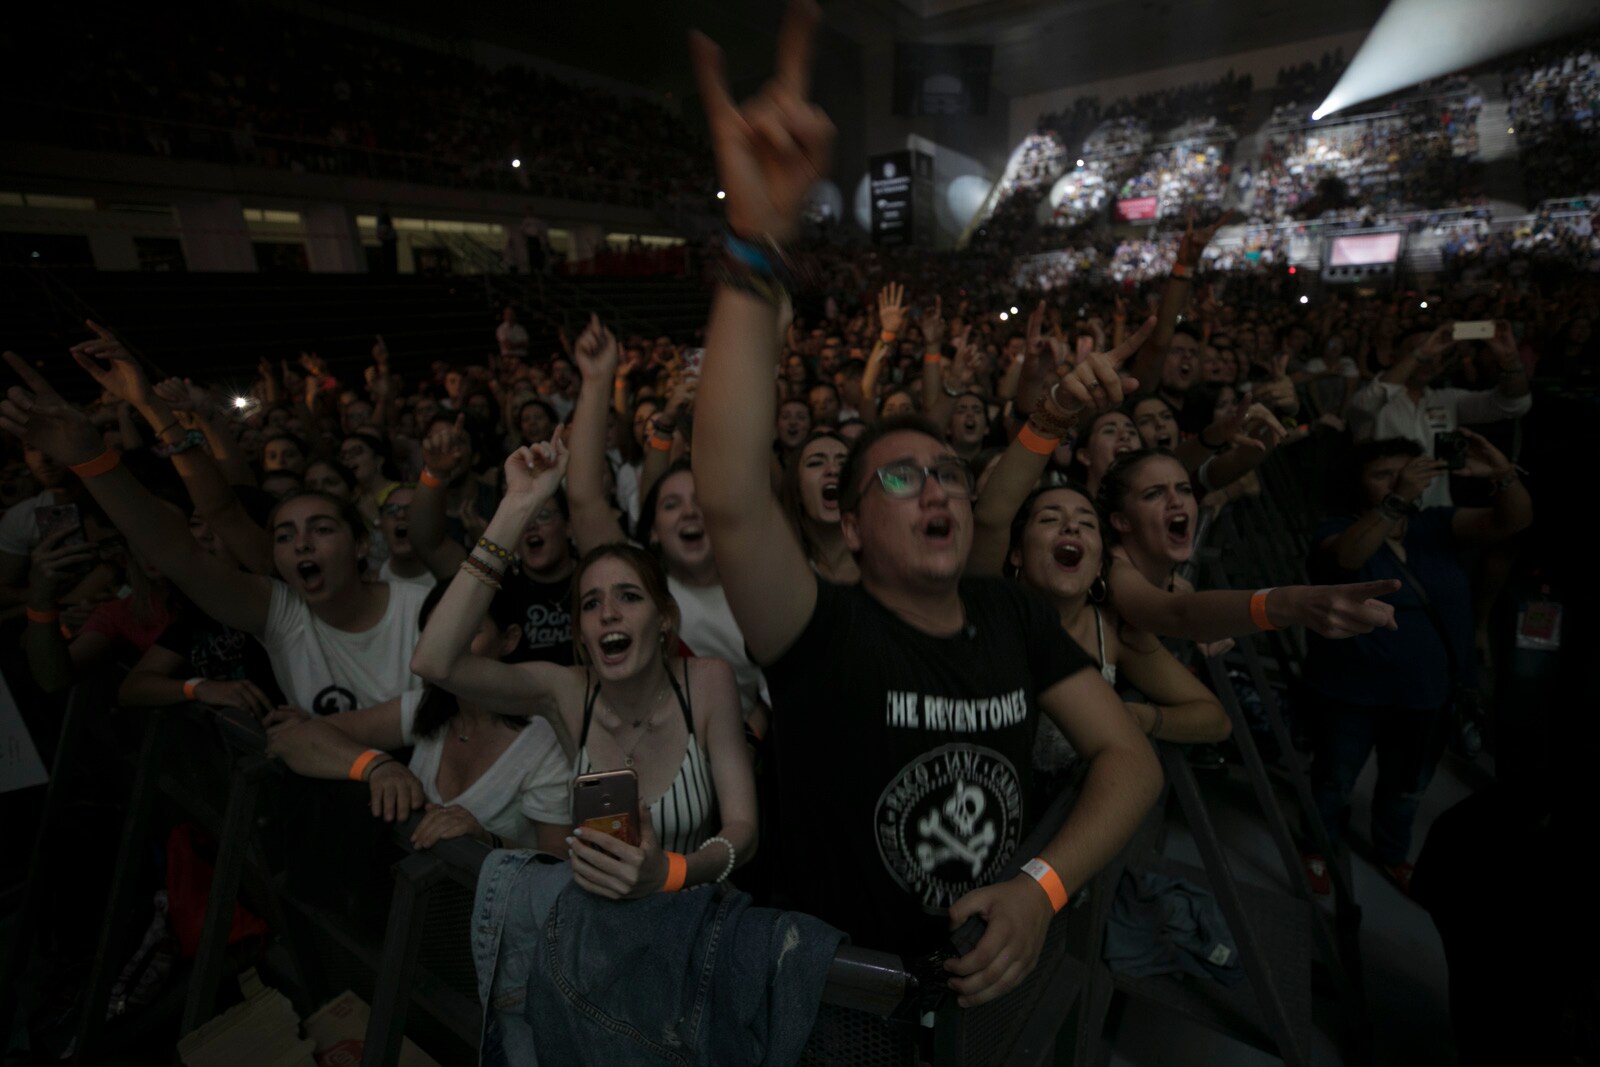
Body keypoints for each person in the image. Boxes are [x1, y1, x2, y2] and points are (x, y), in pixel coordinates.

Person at [690, 2, 1162, 1007]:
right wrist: (753, 246)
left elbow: (1127, 757)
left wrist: (1042, 886)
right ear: (850, 527)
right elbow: (730, 491)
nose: (937, 485)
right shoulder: (822, 633)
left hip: (993, 992)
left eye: (946, 468)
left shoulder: (1011, 616)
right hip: (846, 1005)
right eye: (898, 476)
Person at [408, 439, 756, 898]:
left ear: (664, 618)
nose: (608, 612)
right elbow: (434, 661)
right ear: (582, 635)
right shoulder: (565, 692)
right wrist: (517, 508)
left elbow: (743, 830)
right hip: (596, 932)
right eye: (592, 604)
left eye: (629, 597)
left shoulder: (708, 681)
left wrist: (669, 874)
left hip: (693, 919)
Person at [0, 348, 429, 718]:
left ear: (359, 544)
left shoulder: (420, 605)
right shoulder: (283, 615)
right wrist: (90, 456)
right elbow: (172, 547)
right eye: (284, 536)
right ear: (274, 559)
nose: (300, 543)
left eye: (321, 528)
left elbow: (223, 507)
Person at [1301, 433, 1531, 895]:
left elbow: (1514, 521)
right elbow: (1349, 556)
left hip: (1426, 692)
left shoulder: (1436, 527)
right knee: (1334, 779)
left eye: (1406, 471)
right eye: (1383, 474)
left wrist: (1503, 473)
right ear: (1358, 483)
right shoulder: (1337, 529)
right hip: (1353, 690)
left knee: (1407, 786)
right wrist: (1397, 497)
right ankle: (1315, 847)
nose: (1398, 480)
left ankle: (1391, 852)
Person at [265, 582, 571, 852]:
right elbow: (295, 739)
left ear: (510, 638)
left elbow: (558, 862)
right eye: (438, 634)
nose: (449, 647)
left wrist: (484, 840)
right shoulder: (426, 708)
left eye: (468, 632)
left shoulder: (545, 738)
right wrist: (377, 766)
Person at [1346, 321, 1532, 506]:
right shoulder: (1371, 400)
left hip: (1435, 511)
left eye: (1438, 352)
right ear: (1392, 358)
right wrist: (1422, 353)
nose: (1431, 357)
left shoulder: (1448, 399)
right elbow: (1368, 401)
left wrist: (1510, 360)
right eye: (1417, 349)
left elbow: (1514, 405)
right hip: (1380, 517)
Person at [778, 429, 855, 583]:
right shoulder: (775, 570)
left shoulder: (887, 568)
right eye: (816, 463)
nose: (833, 470)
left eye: (844, 463)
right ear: (797, 490)